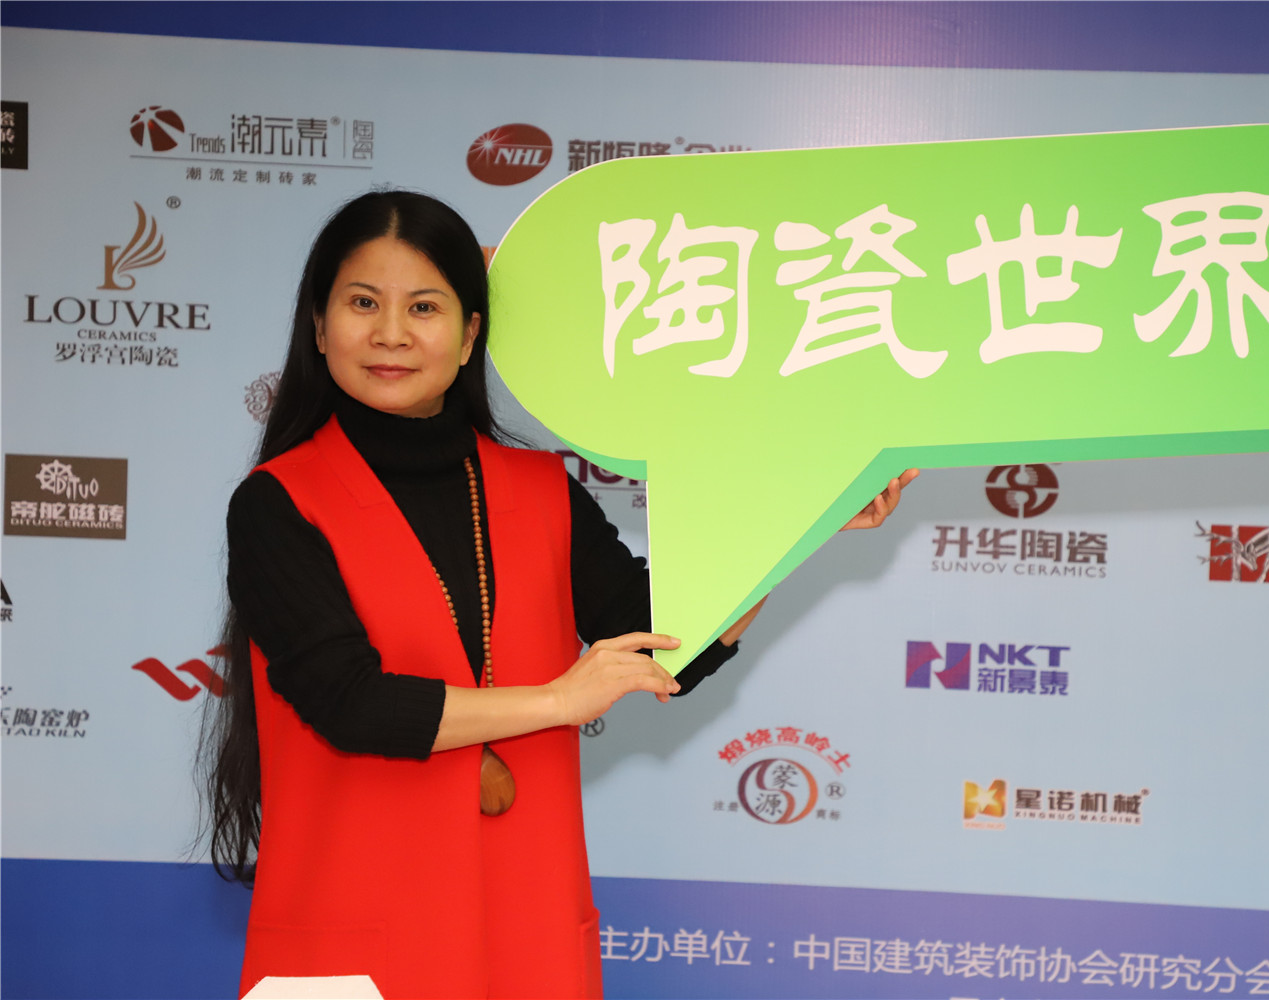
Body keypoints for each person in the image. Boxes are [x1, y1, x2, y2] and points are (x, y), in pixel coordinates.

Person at [202, 189, 915, 1000]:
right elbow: (349, 702)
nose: (391, 332)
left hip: (525, 929)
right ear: (319, 326)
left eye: (424, 307)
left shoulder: (540, 489)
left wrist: (803, 524)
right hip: (355, 935)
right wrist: (558, 700)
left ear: (470, 335)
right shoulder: (278, 502)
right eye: (363, 302)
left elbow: (668, 639)